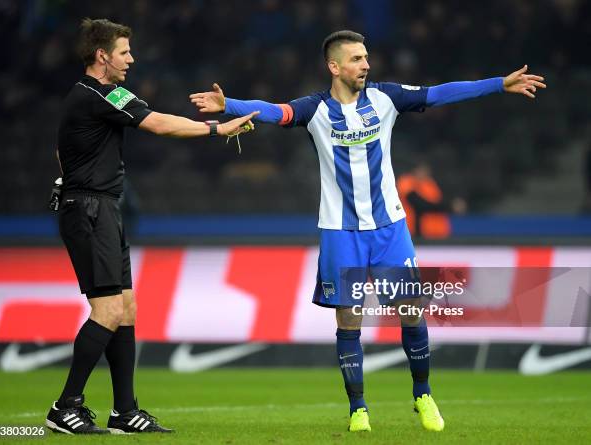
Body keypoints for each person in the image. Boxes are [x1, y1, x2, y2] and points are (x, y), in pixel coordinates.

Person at [190, 30, 545, 433]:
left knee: (411, 311)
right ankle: (359, 408)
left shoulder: (386, 98)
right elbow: (275, 111)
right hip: (341, 231)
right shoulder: (315, 109)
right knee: (349, 320)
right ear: (334, 66)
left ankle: (423, 395)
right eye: (357, 59)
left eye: (366, 58)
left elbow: (441, 93)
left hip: (389, 226)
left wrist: (499, 84)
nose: (366, 65)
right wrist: (228, 104)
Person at [47, 18, 257, 435]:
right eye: (124, 51)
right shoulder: (96, 93)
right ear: (102, 56)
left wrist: (69, 180)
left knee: (125, 309)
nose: (131, 58)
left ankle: (125, 411)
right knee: (107, 310)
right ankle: (65, 406)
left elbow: (61, 149)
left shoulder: (95, 96)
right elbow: (159, 123)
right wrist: (218, 128)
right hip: (89, 209)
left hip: (101, 207)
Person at [396, 162, 466, 238]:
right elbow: (420, 205)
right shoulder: (405, 182)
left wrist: (454, 204)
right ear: (414, 170)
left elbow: (438, 201)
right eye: (421, 170)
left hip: (438, 233)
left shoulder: (430, 184)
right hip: (413, 233)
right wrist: (450, 207)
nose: (424, 173)